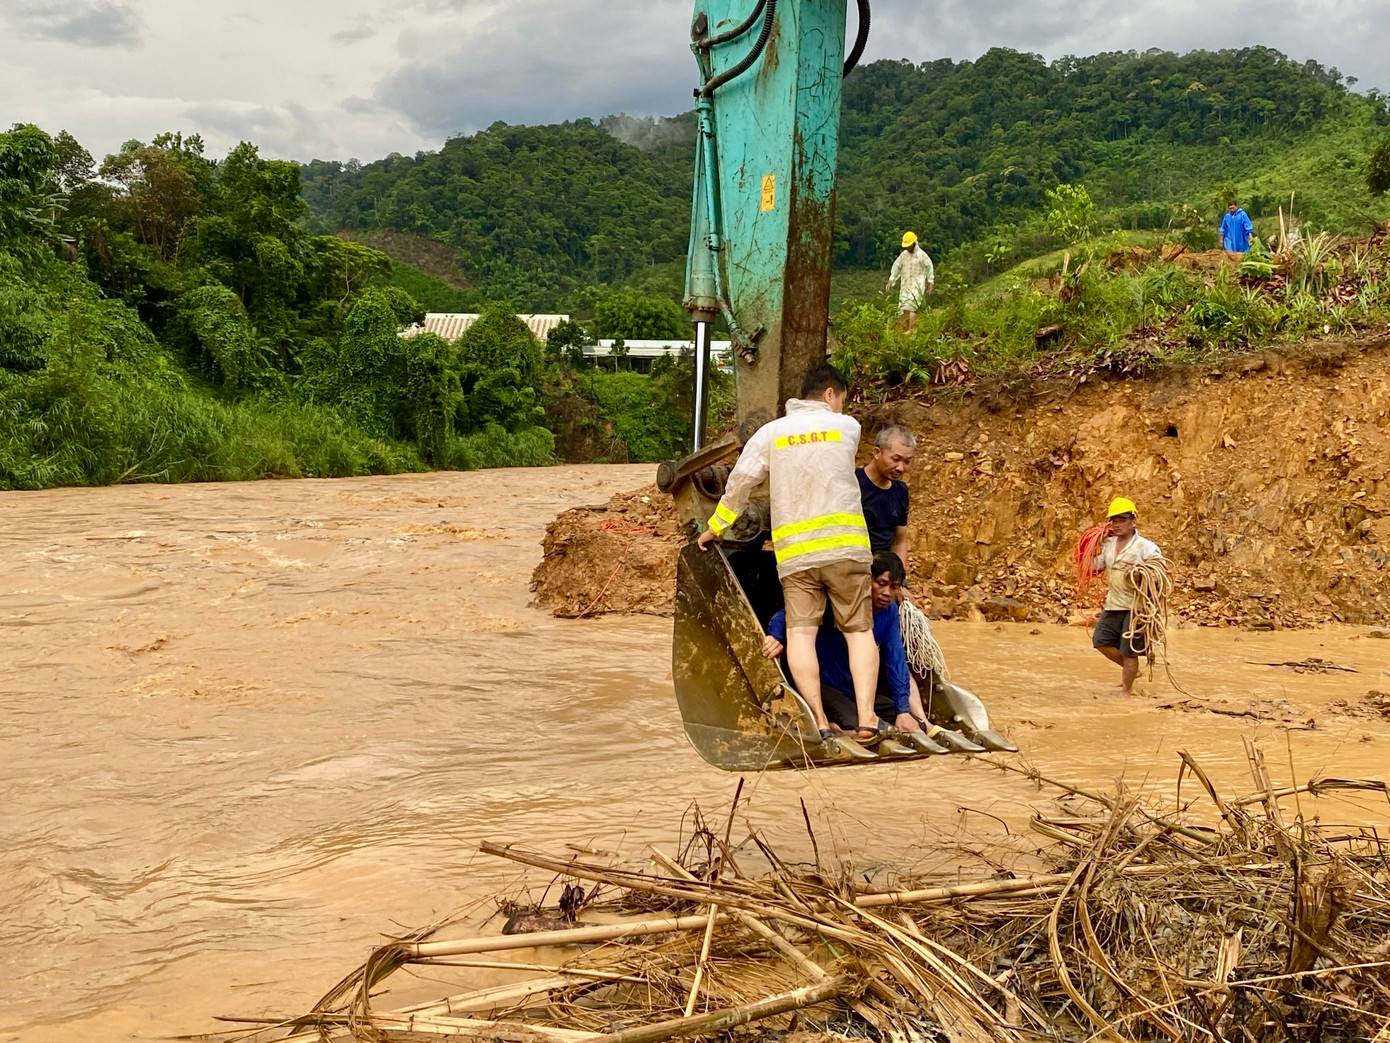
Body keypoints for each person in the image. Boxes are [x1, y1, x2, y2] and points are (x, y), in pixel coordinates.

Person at [696, 363, 881, 743]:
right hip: (845, 549)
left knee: (799, 634)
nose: (842, 407)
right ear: (830, 395)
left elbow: (740, 483)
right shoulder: (848, 427)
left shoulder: (770, 434)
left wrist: (716, 526)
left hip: (796, 556)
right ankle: (866, 720)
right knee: (859, 632)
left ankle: (820, 722)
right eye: (841, 399)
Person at [762, 552, 921, 735]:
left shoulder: (890, 611)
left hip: (853, 689)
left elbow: (896, 660)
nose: (887, 593)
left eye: (894, 587)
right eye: (881, 584)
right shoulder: (840, 601)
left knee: (910, 720)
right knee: (854, 723)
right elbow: (787, 615)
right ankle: (832, 727)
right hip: (826, 687)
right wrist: (775, 636)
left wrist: (903, 710)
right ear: (866, 581)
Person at [1090, 497, 1163, 697]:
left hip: (1136, 608)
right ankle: (1131, 670)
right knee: (1100, 640)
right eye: (1113, 520)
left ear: (1133, 521)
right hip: (1113, 604)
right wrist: (1089, 548)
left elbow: (1159, 574)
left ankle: (1126, 692)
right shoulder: (1108, 545)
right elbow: (1094, 567)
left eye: (1121, 520)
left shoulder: (1145, 547)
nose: (1116, 524)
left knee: (1129, 651)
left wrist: (1142, 573)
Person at [857, 425, 915, 564]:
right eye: (895, 459)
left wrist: (900, 579)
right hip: (854, 569)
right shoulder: (852, 484)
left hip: (883, 574)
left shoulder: (900, 491)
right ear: (877, 452)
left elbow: (899, 541)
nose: (901, 468)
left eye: (907, 462)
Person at [886, 232, 934, 331]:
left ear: (913, 244)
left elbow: (929, 267)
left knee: (912, 307)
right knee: (905, 308)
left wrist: (930, 281)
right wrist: (891, 280)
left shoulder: (921, 256)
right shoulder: (903, 256)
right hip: (905, 286)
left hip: (917, 286)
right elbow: (897, 267)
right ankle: (906, 329)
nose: (907, 248)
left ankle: (911, 330)